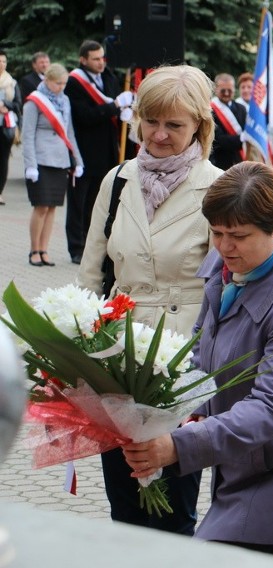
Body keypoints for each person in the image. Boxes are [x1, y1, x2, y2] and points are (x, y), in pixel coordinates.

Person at [121, 161, 273, 559]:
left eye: (238, 236)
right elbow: (201, 354)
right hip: (250, 460)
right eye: (216, 233)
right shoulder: (226, 265)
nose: (223, 246)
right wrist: (174, 409)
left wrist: (178, 446)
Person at [76, 64, 222, 536]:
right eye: (150, 121)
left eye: (174, 125)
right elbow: (93, 272)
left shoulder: (220, 188)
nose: (158, 135)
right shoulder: (117, 180)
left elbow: (228, 284)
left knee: (173, 511)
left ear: (200, 124)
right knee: (124, 507)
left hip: (181, 364)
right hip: (115, 359)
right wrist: (77, 351)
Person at [64, 39, 132, 265]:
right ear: (83, 60)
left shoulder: (109, 77)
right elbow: (83, 116)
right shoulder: (74, 83)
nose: (100, 63)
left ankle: (95, 246)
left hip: (106, 151)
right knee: (78, 203)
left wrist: (124, 113)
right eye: (95, 59)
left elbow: (115, 108)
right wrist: (113, 108)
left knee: (98, 203)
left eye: (102, 58)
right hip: (83, 152)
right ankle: (76, 247)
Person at [22, 63, 84, 266]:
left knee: (52, 208)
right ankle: (34, 250)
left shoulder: (64, 100)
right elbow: (27, 135)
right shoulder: (34, 102)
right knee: (41, 207)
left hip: (60, 161)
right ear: (47, 80)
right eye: (58, 83)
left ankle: (44, 249)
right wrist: (30, 165)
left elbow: (70, 133)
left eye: (64, 83)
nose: (61, 87)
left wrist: (78, 161)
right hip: (40, 160)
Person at [209, 73, 246, 170]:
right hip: (219, 162)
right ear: (216, 90)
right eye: (223, 90)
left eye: (229, 90)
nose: (226, 93)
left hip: (240, 160)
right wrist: (243, 138)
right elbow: (219, 139)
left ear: (234, 89)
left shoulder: (241, 109)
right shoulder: (210, 110)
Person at [0, 50, 23, 206]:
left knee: (2, 160)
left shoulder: (11, 83)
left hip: (5, 127)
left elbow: (18, 105)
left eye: (4, 61)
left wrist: (5, 105)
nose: (2, 64)